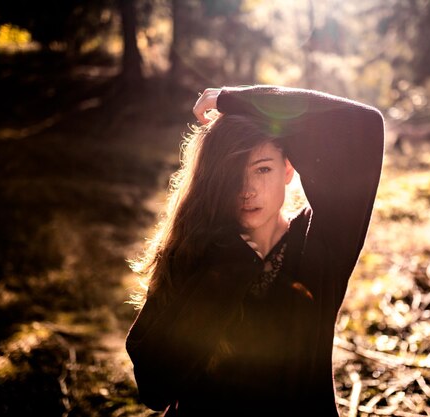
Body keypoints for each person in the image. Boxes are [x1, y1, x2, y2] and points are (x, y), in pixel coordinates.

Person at [125, 85, 385, 416]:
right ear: (215, 179)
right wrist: (227, 275)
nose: (248, 190)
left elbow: (364, 123)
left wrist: (235, 100)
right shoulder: (194, 252)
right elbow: (154, 387)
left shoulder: (321, 245)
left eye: (263, 169)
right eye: (234, 174)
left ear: (288, 170)